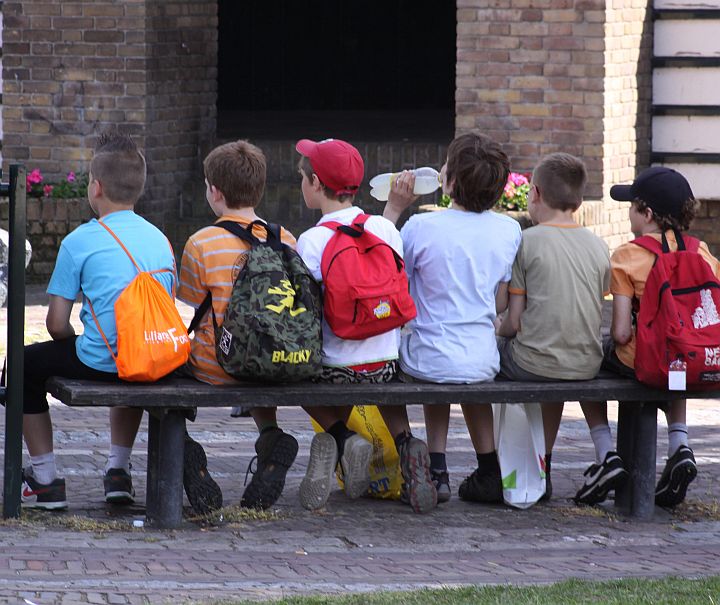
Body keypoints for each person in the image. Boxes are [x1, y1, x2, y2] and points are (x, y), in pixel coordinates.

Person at [9, 131, 211, 510]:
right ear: (139, 188)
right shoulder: (160, 239)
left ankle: (45, 480)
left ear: (96, 187)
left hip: (102, 361)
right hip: (152, 357)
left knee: (21, 364)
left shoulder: (79, 241)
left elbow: (55, 324)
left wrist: (75, 343)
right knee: (131, 355)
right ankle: (118, 470)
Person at [295, 138, 437, 514]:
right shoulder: (383, 229)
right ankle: (407, 443)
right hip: (386, 364)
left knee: (300, 380)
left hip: (335, 369)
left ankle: (342, 438)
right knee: (381, 379)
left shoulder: (312, 241)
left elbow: (307, 312)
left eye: (302, 178)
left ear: (314, 183)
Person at [382, 132, 522, 505]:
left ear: (450, 182)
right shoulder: (508, 230)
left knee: (435, 360)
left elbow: (387, 268)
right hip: (482, 359)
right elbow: (499, 300)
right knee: (463, 369)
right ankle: (488, 468)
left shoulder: (421, 227)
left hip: (425, 357)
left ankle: (436, 468)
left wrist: (393, 208)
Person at [575, 166, 720, 507]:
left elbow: (621, 333)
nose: (628, 212)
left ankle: (606, 455)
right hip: (695, 361)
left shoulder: (627, 256)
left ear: (647, 214)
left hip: (645, 362)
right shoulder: (702, 252)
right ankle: (679, 444)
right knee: (678, 354)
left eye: (632, 206)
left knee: (585, 361)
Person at [177, 140, 298, 510]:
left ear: (215, 192)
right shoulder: (284, 238)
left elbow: (190, 307)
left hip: (216, 367)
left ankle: (182, 444)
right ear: (259, 188)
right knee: (257, 346)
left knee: (166, 364)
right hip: (274, 364)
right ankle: (270, 435)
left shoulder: (201, 243)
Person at [496, 153, 610, 500]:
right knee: (553, 358)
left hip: (533, 363)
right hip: (586, 364)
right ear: (579, 200)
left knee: (494, 355)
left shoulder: (527, 241)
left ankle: (512, 465)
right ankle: (544, 461)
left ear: (535, 193)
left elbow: (514, 321)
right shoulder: (599, 246)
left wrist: (497, 328)